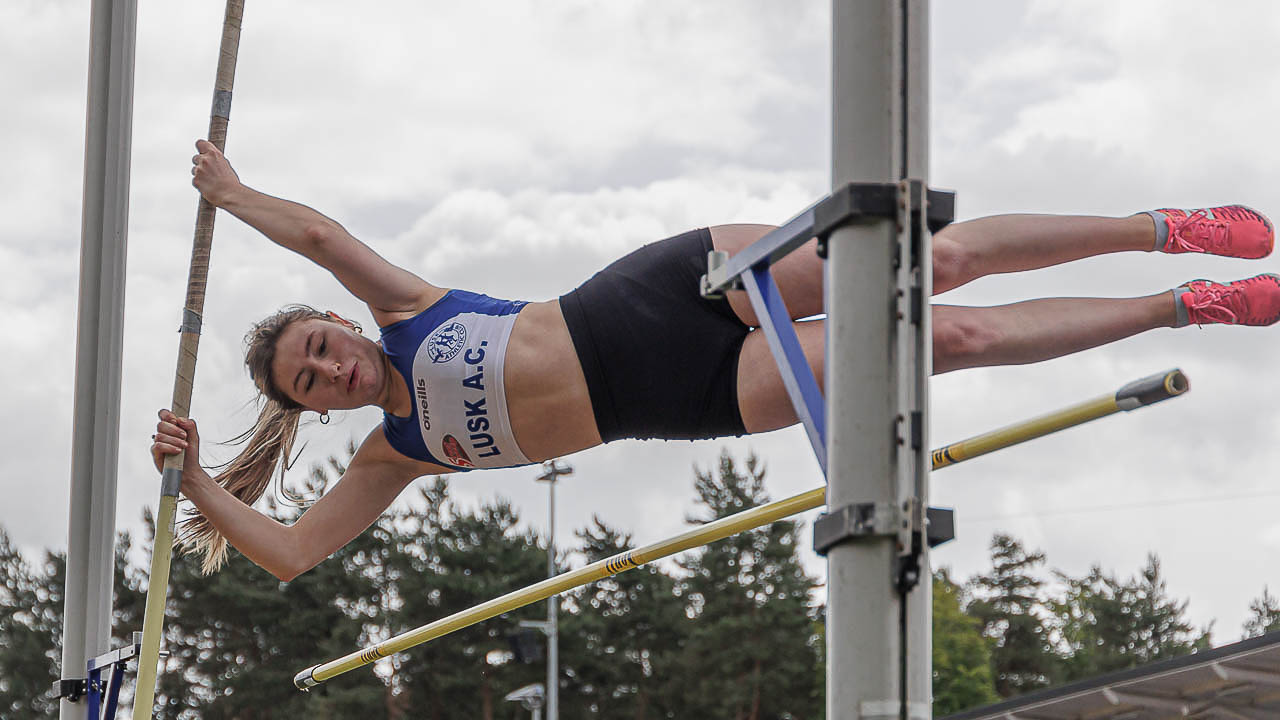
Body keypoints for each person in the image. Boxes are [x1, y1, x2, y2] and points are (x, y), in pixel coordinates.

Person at [152, 139, 1280, 579]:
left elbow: (314, 235)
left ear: (341, 327)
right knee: (951, 338)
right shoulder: (398, 453)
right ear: (319, 407)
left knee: (928, 266)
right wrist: (196, 479)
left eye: (320, 346)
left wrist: (234, 194)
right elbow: (294, 553)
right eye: (311, 381)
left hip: (663, 286)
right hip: (690, 395)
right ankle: (1185, 303)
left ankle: (1158, 225)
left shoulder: (402, 309)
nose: (331, 368)